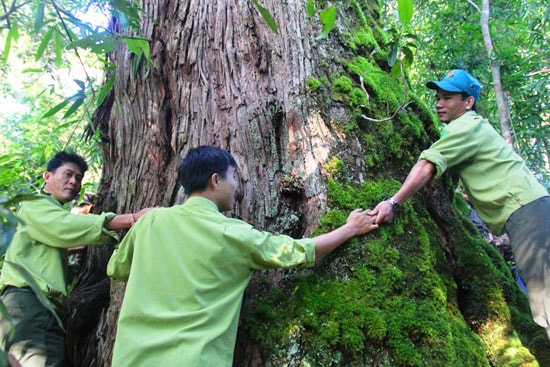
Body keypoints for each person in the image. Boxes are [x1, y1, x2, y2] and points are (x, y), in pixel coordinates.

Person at [107, 145, 379, 367]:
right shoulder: (233, 234)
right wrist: (350, 228)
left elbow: (116, 268)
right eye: (233, 177)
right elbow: (299, 250)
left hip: (131, 358)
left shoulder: (150, 221)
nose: (236, 186)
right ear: (216, 180)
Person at [368, 69, 550, 337]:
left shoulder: (465, 127)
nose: (439, 104)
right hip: (529, 211)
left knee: (545, 298)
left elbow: (427, 165)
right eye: (438, 97)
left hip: (526, 213)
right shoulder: (474, 128)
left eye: (448, 98)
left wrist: (393, 202)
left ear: (468, 102)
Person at [0, 151, 153, 367]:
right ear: (47, 176)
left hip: (29, 309)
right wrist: (130, 219)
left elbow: (43, 246)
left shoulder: (39, 215)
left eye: (79, 178)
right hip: (31, 304)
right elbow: (62, 226)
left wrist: (72, 250)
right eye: (68, 174)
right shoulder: (35, 204)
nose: (73, 182)